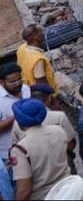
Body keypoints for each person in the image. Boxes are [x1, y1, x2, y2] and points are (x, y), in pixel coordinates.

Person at [10, 98, 70, 200]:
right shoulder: (59, 130)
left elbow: (24, 190)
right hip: (68, 190)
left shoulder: (20, 149)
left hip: (44, 196)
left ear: (19, 120)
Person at [11, 84, 76, 176]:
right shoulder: (59, 118)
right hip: (64, 165)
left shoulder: (17, 123)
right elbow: (71, 144)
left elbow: (16, 146)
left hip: (36, 170)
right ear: (49, 98)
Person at [0, 62, 30, 198]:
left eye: (19, 79)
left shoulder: (26, 89)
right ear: (2, 82)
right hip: (9, 156)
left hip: (31, 149)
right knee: (18, 190)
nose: (18, 83)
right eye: (13, 81)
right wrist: (17, 115)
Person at [16, 25, 59, 93]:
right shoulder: (38, 59)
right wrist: (51, 97)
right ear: (35, 36)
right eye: (40, 32)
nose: (43, 34)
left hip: (28, 88)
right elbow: (41, 82)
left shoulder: (21, 48)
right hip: (41, 93)